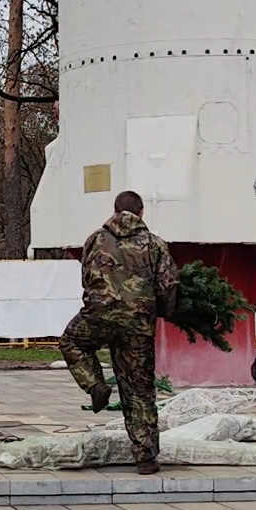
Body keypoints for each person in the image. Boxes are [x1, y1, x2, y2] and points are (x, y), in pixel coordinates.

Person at [65, 190, 180, 475]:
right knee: (139, 388)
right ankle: (146, 457)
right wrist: (164, 311)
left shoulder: (95, 239)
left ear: (115, 210)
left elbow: (86, 276)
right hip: (138, 322)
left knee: (72, 341)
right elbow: (168, 285)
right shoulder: (154, 244)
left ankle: (95, 385)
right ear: (141, 213)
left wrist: (96, 302)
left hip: (100, 314)